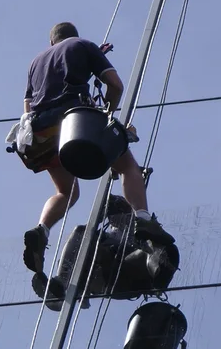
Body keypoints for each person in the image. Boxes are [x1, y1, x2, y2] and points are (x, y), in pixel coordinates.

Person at [21, 22, 175, 275]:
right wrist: (107, 116)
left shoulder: (35, 62)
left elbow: (28, 106)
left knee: (66, 192)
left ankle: (41, 230)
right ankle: (144, 220)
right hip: (73, 117)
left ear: (51, 43)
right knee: (127, 167)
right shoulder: (83, 46)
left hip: (41, 130)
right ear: (74, 36)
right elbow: (116, 85)